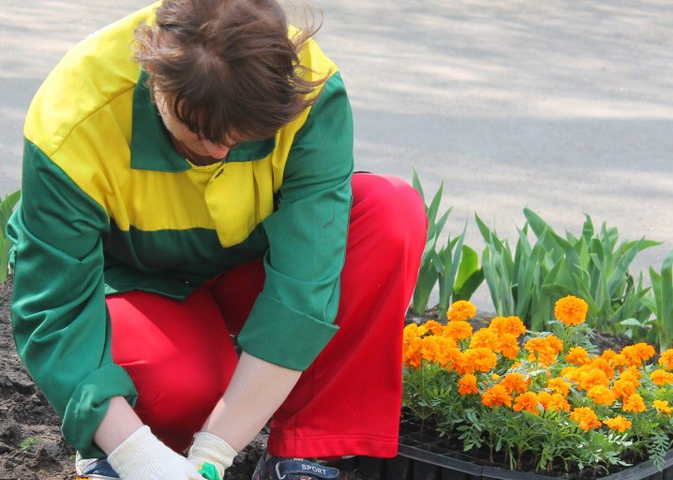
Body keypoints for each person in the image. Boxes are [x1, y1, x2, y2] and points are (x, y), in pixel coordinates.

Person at [5, 0, 427, 479]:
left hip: (248, 262)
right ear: (156, 80)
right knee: (181, 388)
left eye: (241, 136)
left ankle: (306, 451)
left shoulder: (309, 90)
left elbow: (305, 288)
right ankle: (117, 450)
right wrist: (135, 453)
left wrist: (214, 453)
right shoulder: (74, 118)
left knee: (389, 212)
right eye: (197, 131)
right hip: (131, 278)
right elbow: (56, 311)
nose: (219, 150)